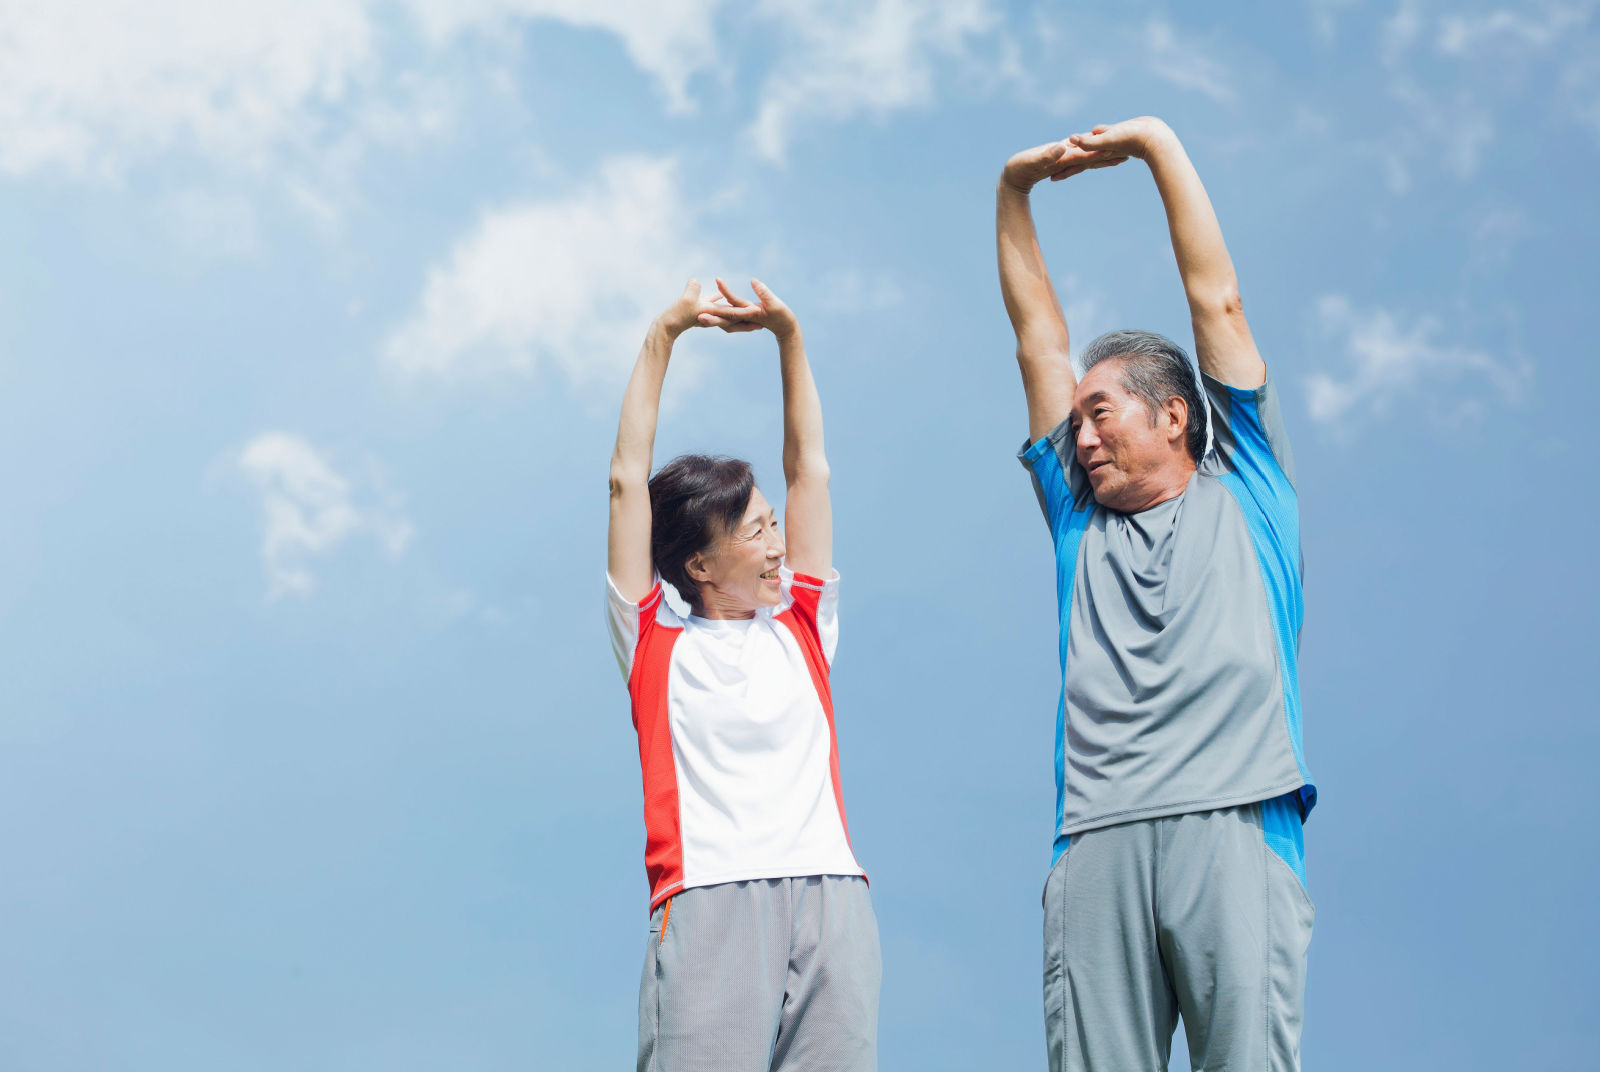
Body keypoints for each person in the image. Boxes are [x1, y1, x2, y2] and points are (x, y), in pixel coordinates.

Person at [996, 116, 1317, 1071]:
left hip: (1238, 821)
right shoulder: (1073, 519)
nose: (1081, 435)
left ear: (1174, 416)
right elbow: (1035, 340)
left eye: (1102, 413)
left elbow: (1216, 300)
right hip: (1096, 836)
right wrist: (1013, 193)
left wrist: (1156, 146)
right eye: (1077, 419)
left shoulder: (1252, 490)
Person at [605, 278, 880, 1072]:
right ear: (698, 562)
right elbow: (627, 481)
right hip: (710, 900)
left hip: (833, 900)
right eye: (757, 532)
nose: (778, 545)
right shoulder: (654, 639)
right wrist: (664, 335)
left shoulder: (800, 620)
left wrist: (789, 339)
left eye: (773, 525)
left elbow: (811, 472)